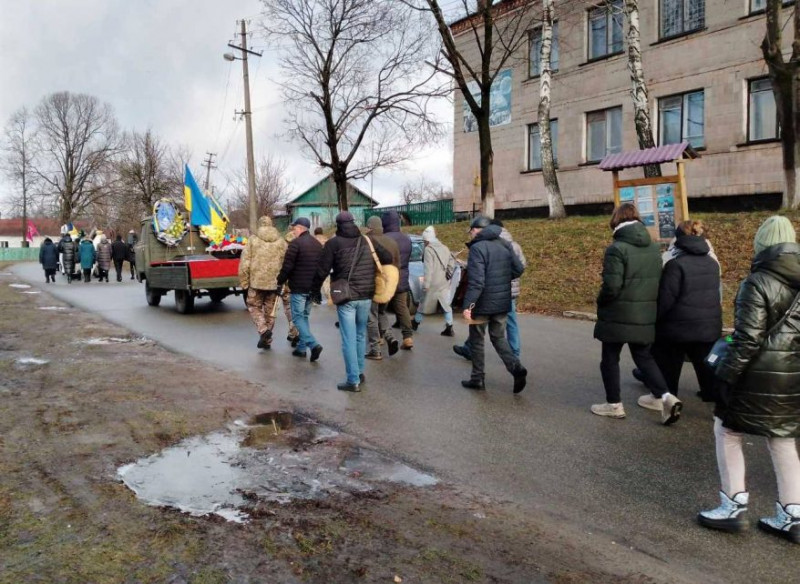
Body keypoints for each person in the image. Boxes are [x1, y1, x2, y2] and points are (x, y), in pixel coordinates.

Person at [698, 216, 800, 542]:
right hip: (791, 377)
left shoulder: (757, 282)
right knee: (782, 439)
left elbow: (747, 340)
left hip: (755, 375)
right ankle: (792, 513)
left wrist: (724, 379)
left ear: (761, 243)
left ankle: (733, 505)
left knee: (726, 431)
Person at [591, 203, 682, 425]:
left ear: (616, 221)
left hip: (618, 313)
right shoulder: (653, 248)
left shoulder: (617, 248)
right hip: (644, 313)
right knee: (644, 358)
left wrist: (601, 300)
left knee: (610, 359)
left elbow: (612, 286)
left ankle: (614, 405)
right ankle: (666, 397)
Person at [643, 220, 721, 407]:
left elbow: (666, 299)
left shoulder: (675, 265)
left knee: (668, 363)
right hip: (708, 327)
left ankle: (667, 398)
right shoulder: (712, 263)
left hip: (677, 328)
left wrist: (654, 320)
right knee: (706, 366)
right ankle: (714, 397)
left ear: (677, 238)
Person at [314, 211, 391, 391]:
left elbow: (322, 270)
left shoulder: (333, 243)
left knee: (348, 339)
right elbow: (387, 257)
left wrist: (315, 291)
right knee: (359, 335)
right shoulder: (367, 240)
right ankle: (360, 373)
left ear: (338, 224)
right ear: (353, 223)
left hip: (346, 296)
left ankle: (352, 380)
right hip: (366, 295)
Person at [460, 216, 527, 393]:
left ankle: (477, 378)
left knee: (477, 340)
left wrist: (468, 306)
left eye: (471, 230)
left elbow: (476, 282)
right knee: (498, 338)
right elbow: (519, 269)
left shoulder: (477, 248)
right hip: (502, 302)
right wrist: (501, 282)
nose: (471, 233)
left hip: (482, 304)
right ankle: (516, 368)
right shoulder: (504, 244)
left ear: (478, 230)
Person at [277, 217, 324, 362]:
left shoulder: (295, 244)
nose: (293, 231)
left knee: (297, 318)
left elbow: (287, 266)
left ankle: (313, 344)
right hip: (312, 288)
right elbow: (322, 267)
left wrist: (279, 281)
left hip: (299, 287)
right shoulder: (317, 244)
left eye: (294, 228)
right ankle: (301, 349)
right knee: (304, 318)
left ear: (300, 228)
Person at [238, 216, 287, 350]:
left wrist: (244, 282)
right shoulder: (281, 242)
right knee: (270, 311)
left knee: (253, 306)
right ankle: (267, 340)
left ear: (260, 225)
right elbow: (286, 262)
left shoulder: (253, 241)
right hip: (275, 283)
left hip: (256, 282)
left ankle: (263, 330)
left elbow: (245, 263)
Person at [364, 215, 400, 360]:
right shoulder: (392, 242)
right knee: (382, 312)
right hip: (389, 284)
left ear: (370, 226)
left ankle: (375, 349)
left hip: (374, 283)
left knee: (371, 316)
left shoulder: (367, 241)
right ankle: (390, 337)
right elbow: (397, 263)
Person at [412, 225, 455, 336]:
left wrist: (426, 285)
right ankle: (449, 326)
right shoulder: (445, 247)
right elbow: (451, 263)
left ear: (427, 240)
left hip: (432, 281)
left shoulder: (428, 250)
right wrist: (448, 275)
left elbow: (428, 269)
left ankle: (416, 322)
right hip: (443, 281)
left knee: (423, 302)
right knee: (445, 304)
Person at [381, 210, 414, 350]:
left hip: (387, 279)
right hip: (402, 278)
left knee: (379, 309)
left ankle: (380, 337)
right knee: (402, 307)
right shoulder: (406, 239)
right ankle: (408, 337)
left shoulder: (384, 239)